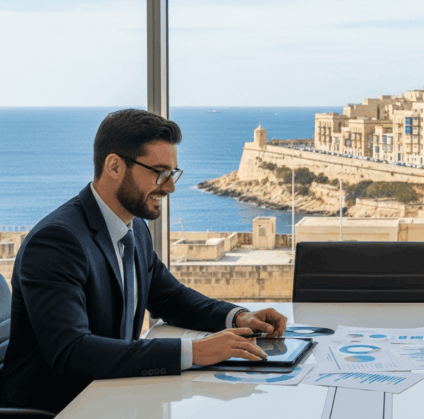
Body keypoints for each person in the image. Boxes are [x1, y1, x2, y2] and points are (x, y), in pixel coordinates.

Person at [0, 109, 288, 413]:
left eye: (173, 173)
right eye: (160, 172)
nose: (170, 186)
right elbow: (73, 353)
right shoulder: (57, 242)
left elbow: (169, 297)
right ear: (114, 166)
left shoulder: (134, 226)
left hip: (111, 393)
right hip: (60, 407)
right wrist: (195, 351)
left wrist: (239, 317)